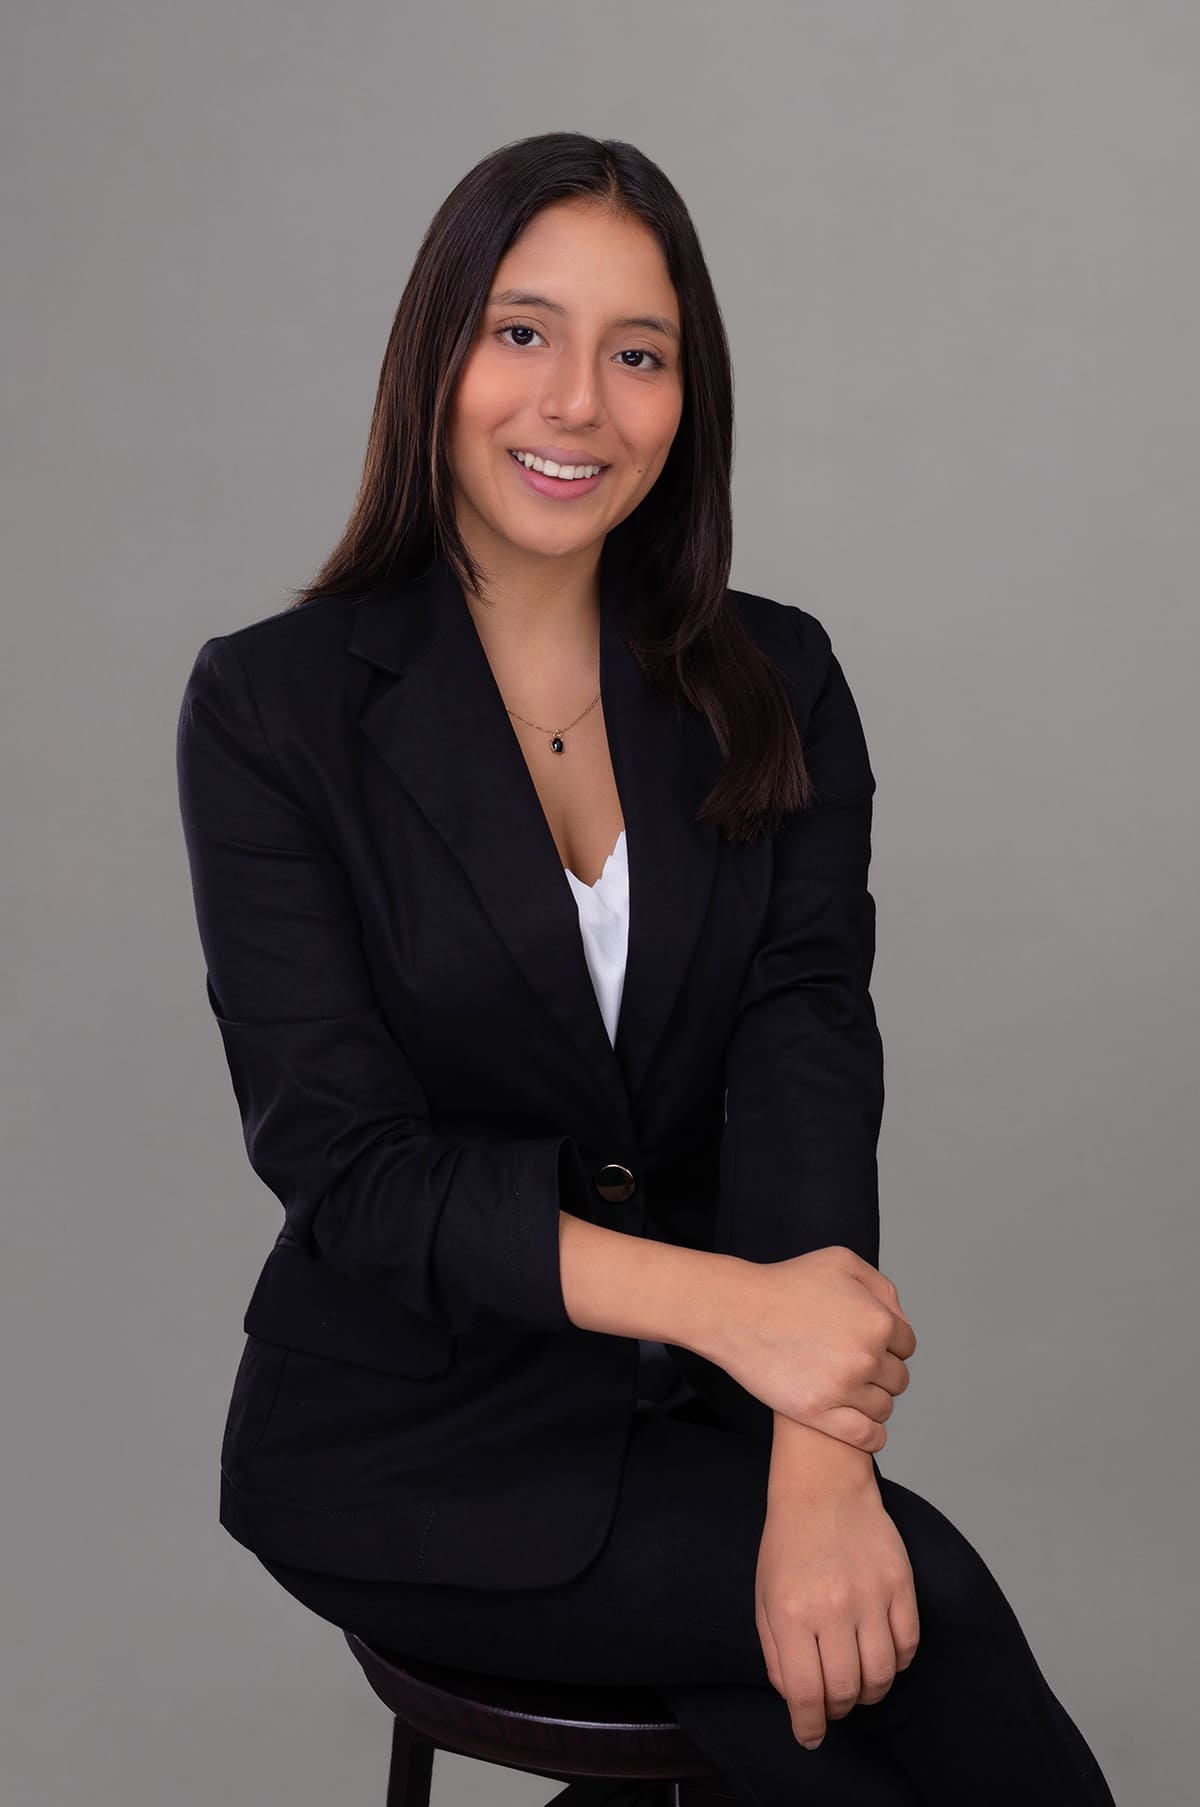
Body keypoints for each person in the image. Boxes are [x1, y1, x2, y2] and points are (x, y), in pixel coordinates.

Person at [175, 132, 1117, 1806]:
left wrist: (817, 1460)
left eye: (639, 354)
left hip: (698, 1418)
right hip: (407, 1444)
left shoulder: (778, 680)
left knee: (814, 1737)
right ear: (438, 354)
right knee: (930, 1616)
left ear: (689, 398)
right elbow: (353, 1171)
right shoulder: (272, 709)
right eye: (522, 332)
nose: (577, 404)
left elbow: (808, 1060)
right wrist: (743, 1316)